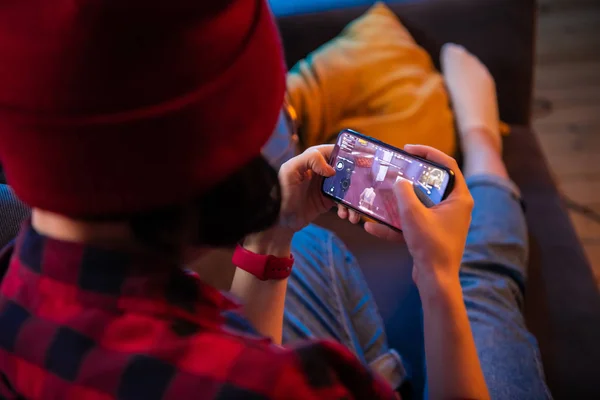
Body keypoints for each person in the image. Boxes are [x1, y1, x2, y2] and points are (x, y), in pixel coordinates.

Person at [0, 2, 550, 400]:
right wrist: (438, 280)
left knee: (307, 243)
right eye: (272, 123)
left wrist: (272, 232)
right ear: (222, 180)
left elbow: (237, 358)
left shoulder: (16, 285)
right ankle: (484, 148)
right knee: (479, 279)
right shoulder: (298, 385)